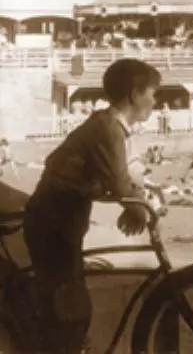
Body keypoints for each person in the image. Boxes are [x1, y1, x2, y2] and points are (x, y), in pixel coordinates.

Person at [22, 59, 158, 352]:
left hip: (59, 221)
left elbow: (116, 180)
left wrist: (133, 203)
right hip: (55, 225)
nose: (155, 101)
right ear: (135, 94)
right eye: (152, 93)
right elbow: (120, 183)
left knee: (67, 309)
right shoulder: (107, 129)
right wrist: (138, 210)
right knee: (71, 312)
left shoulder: (108, 126)